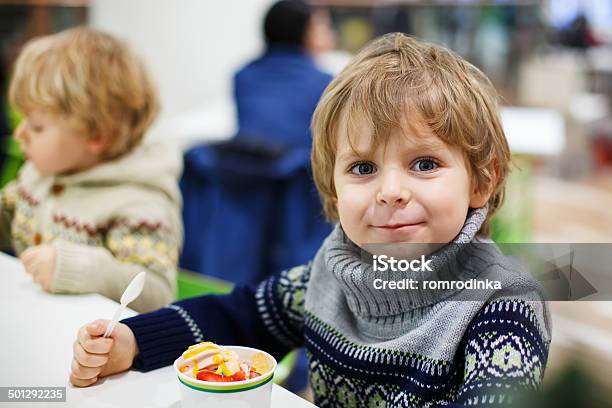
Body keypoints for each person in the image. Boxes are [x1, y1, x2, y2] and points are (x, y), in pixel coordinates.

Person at [69, 33, 550, 407]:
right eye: (363, 168)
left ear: (482, 181)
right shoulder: (332, 273)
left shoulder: (502, 307)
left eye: (424, 164)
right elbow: (240, 318)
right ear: (334, 193)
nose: (390, 191)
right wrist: (135, 340)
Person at [2, 27, 183, 313]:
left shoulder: (139, 203)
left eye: (37, 126)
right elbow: (10, 213)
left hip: (93, 351)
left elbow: (157, 293)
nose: (20, 134)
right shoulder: (42, 174)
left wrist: (77, 268)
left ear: (96, 135)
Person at [233, 0, 335, 148]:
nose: (331, 35)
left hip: (244, 166)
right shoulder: (325, 83)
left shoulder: (242, 76)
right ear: (304, 34)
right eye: (323, 27)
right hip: (298, 169)